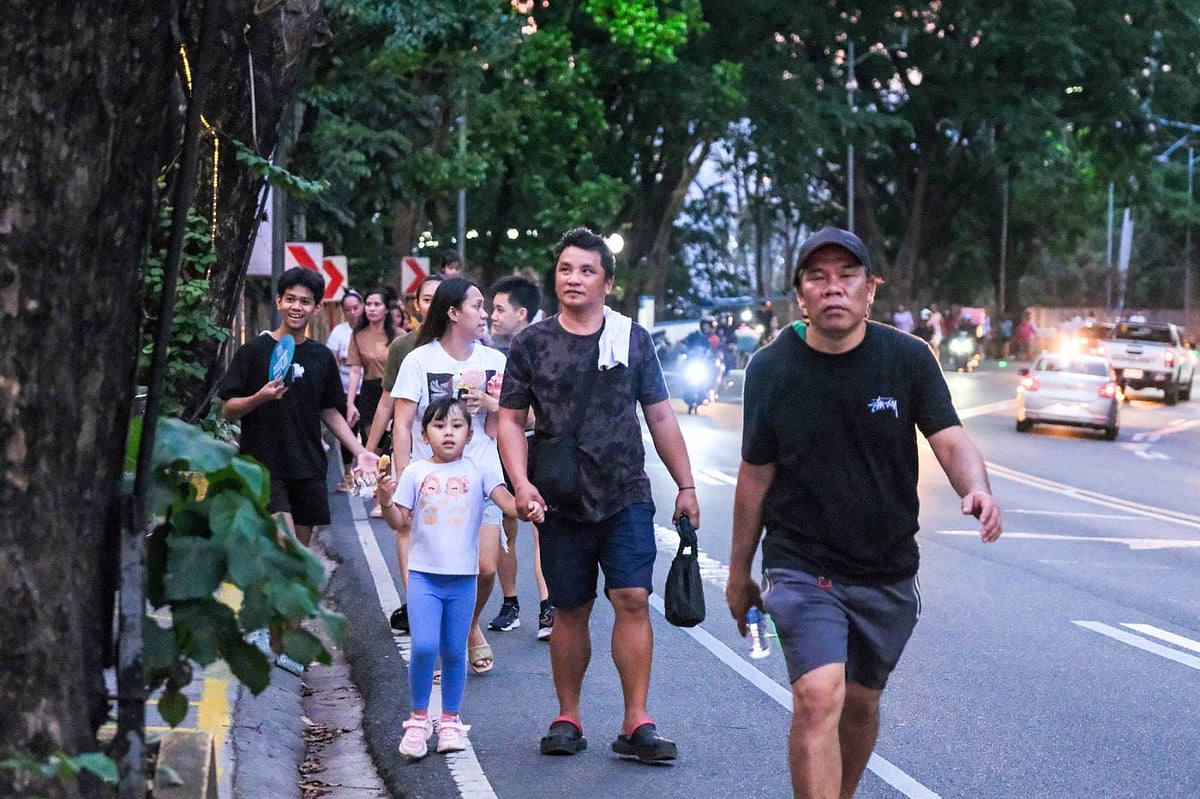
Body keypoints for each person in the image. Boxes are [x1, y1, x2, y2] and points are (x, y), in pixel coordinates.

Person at [725, 227, 1002, 799]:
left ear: (870, 289)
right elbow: (755, 476)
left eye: (847, 276)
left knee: (860, 703)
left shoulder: (907, 358)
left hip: (885, 568)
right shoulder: (772, 368)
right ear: (800, 294)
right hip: (802, 563)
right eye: (817, 277)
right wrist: (737, 573)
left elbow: (949, 439)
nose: (833, 289)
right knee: (818, 694)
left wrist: (977, 489)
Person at [497, 227, 699, 764]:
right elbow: (511, 422)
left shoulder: (631, 338)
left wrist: (686, 484)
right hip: (560, 497)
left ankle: (638, 721)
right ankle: (568, 716)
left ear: (607, 283)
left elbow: (659, 414)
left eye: (587, 270)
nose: (574, 279)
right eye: (566, 269)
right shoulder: (531, 343)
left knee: (632, 598)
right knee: (570, 608)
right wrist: (522, 484)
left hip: (626, 492)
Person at [375, 396, 545, 759]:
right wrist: (386, 500)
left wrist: (527, 505)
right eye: (439, 426)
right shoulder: (416, 473)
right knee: (423, 648)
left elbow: (508, 503)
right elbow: (400, 522)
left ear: (469, 435)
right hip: (424, 578)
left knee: (454, 652)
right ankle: (419, 720)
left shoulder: (480, 471)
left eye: (456, 426)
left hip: (462, 581)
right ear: (425, 434)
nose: (448, 433)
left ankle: (450, 720)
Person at [391, 278, 507, 674]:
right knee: (438, 568)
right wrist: (405, 478)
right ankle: (454, 633)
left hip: (483, 478)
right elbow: (402, 423)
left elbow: (513, 422)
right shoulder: (419, 361)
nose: (485, 312)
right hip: (435, 487)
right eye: (477, 305)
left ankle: (468, 624)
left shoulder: (496, 361)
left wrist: (493, 403)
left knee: (486, 567)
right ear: (453, 313)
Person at [219, 267, 378, 546]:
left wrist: (360, 451)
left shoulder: (321, 357)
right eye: (290, 299)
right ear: (279, 301)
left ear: (316, 308)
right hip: (264, 466)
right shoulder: (253, 351)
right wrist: (260, 397)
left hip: (308, 467)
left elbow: (329, 411)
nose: (297, 307)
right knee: (285, 542)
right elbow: (228, 409)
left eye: (305, 301)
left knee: (298, 557)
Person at [364, 274, 442, 629]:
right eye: (427, 299)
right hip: (409, 449)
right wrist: (368, 451)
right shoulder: (403, 347)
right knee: (406, 524)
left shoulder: (467, 346)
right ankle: (417, 604)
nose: (434, 306)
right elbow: (386, 404)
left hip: (454, 457)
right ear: (418, 305)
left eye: (441, 299)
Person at [485, 275, 555, 640]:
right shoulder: (491, 355)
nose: (492, 316)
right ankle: (510, 603)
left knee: (543, 527)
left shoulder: (545, 352)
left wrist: (492, 405)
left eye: (499, 309)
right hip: (499, 451)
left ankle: (548, 606)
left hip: (537, 448)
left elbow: (539, 414)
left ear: (521, 313)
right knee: (503, 527)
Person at [346, 288, 396, 454]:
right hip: (369, 392)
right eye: (368, 304)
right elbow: (355, 371)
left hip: (394, 391)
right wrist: (350, 403)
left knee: (393, 442)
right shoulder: (358, 335)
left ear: (386, 309)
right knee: (372, 444)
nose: (371, 308)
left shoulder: (399, 336)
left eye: (377, 304)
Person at [326, 289, 364, 492]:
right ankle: (348, 474)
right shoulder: (338, 332)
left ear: (362, 307)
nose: (352, 313)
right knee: (347, 431)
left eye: (355, 308)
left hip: (368, 389)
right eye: (347, 309)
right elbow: (330, 360)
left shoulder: (371, 330)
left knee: (368, 432)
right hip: (343, 389)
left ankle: (368, 474)